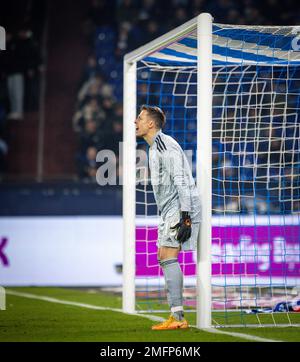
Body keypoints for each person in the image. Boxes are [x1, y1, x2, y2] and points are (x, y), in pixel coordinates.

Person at [135, 105, 201, 330]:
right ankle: (176, 315)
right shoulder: (153, 148)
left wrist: (186, 216)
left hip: (180, 207)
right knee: (164, 256)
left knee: (168, 256)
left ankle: (179, 318)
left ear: (151, 124)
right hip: (170, 208)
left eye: (140, 118)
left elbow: (182, 179)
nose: (136, 122)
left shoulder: (164, 145)